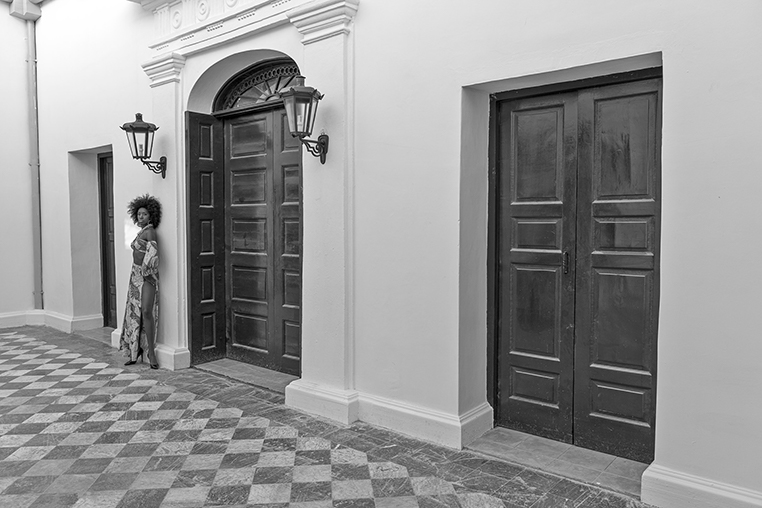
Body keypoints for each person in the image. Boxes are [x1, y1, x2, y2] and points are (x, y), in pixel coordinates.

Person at [120, 194, 161, 369]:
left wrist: (145, 273)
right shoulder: (142, 232)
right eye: (138, 214)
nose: (141, 217)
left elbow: (153, 255)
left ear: (151, 215)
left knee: (146, 311)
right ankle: (135, 350)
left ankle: (151, 353)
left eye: (144, 214)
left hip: (147, 276)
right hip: (135, 276)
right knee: (133, 314)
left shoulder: (150, 231)